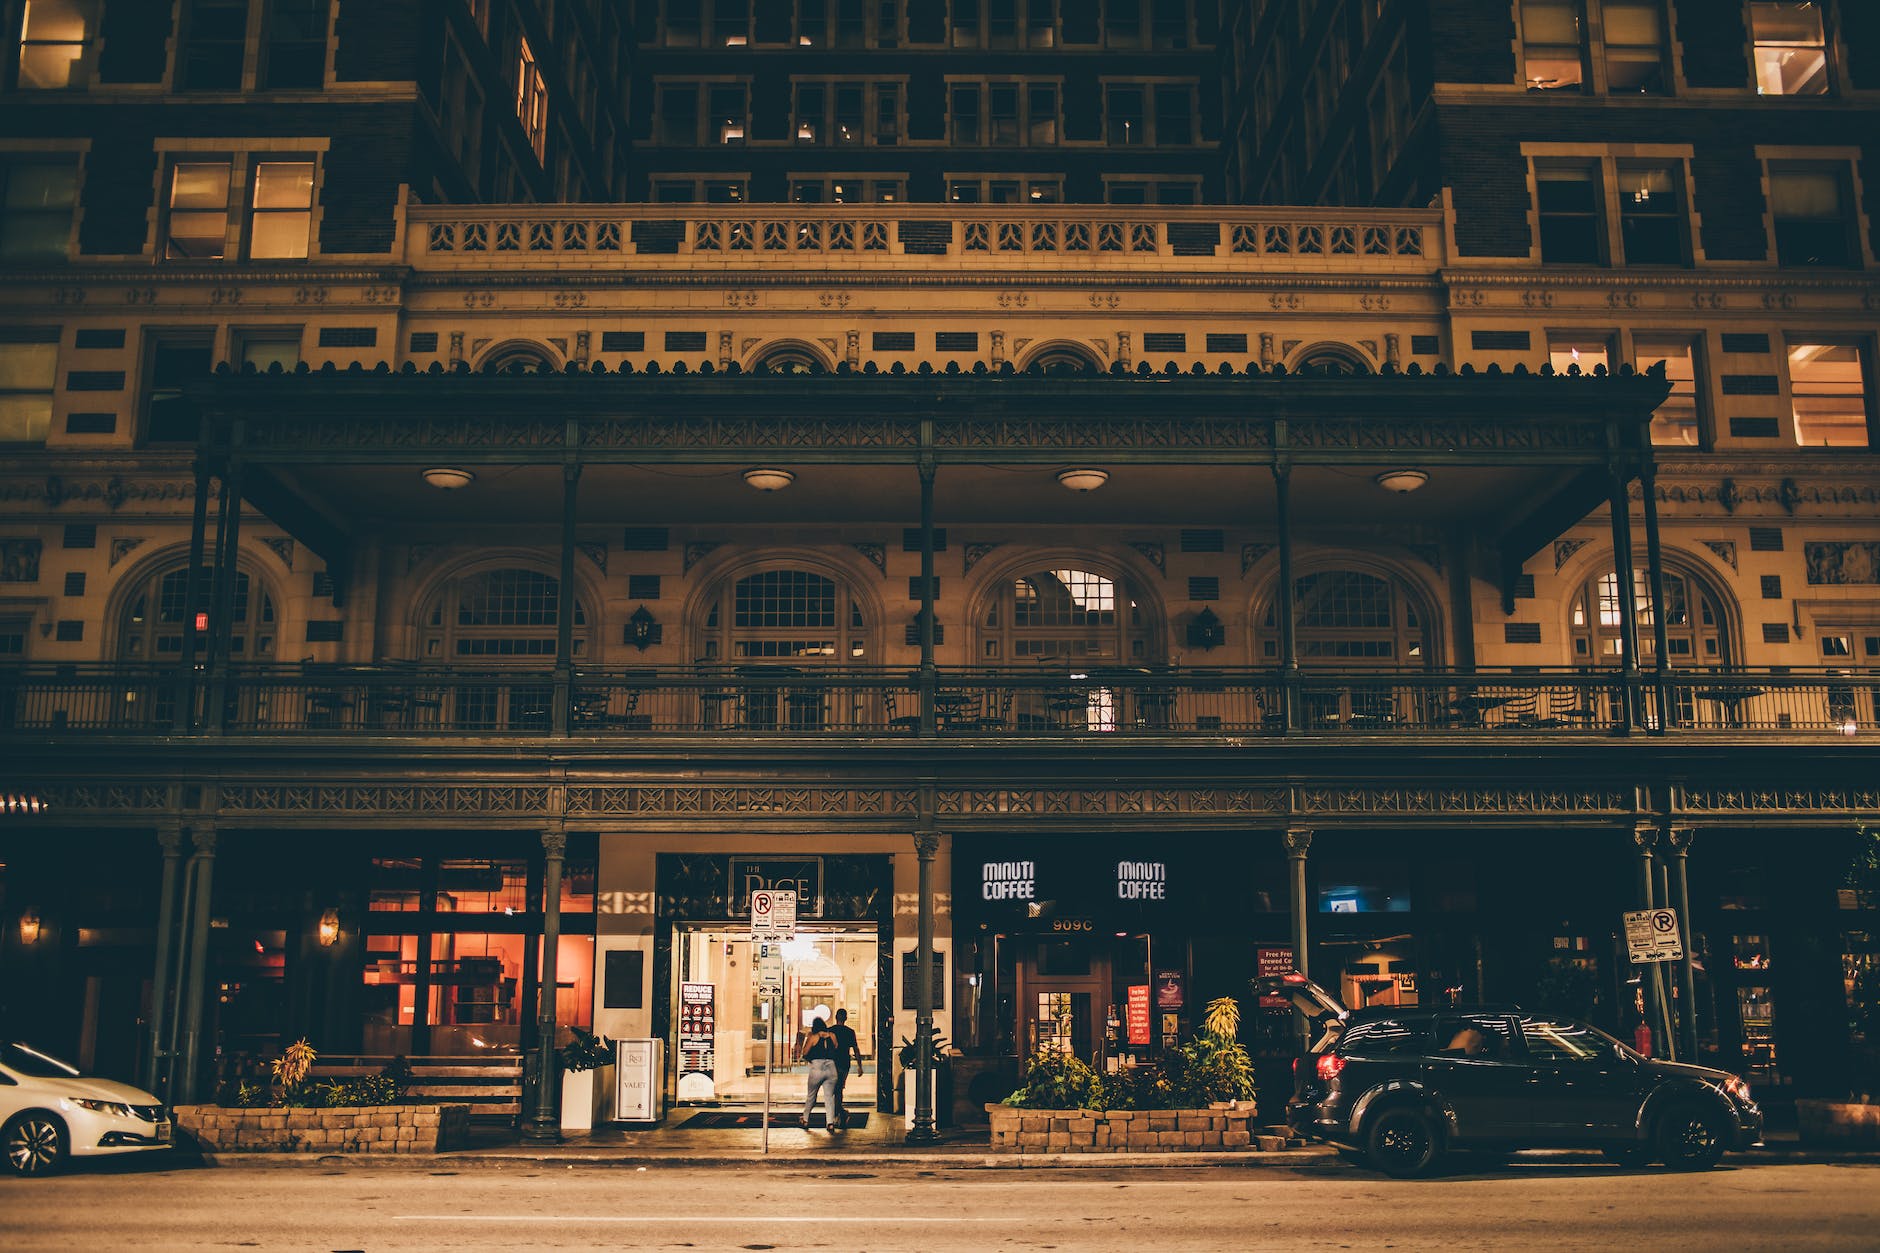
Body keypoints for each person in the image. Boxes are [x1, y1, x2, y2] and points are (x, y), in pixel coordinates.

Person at [797, 1016, 842, 1131]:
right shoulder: (832, 1035)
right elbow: (836, 1048)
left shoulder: (813, 1037)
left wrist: (810, 1059)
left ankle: (805, 1119)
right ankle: (830, 1122)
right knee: (829, 1097)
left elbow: (805, 1052)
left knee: (811, 1095)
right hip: (831, 1067)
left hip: (817, 1067)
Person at [829, 1008, 864, 1128]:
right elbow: (856, 1049)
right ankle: (840, 1114)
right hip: (844, 1063)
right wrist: (859, 1066)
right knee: (838, 1089)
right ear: (846, 1018)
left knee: (834, 1090)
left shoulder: (830, 1030)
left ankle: (838, 1114)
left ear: (835, 1017)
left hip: (831, 1063)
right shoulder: (850, 1031)